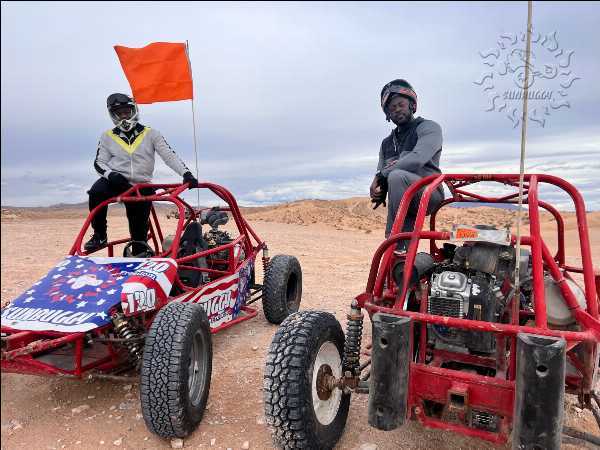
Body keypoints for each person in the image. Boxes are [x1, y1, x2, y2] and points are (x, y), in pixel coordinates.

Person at [85, 93, 199, 253]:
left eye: (127, 111)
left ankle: (140, 250)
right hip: (116, 181)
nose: (124, 116)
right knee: (96, 192)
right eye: (119, 113)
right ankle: (100, 235)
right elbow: (99, 162)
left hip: (142, 185)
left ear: (134, 110)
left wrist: (186, 174)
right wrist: (111, 175)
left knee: (138, 236)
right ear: (113, 115)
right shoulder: (107, 137)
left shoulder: (151, 133)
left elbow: (169, 155)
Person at [370, 79, 444, 250]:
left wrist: (382, 175)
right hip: (402, 194)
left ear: (412, 105)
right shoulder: (386, 143)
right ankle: (400, 254)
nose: (397, 109)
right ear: (388, 115)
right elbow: (381, 171)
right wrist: (378, 189)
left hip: (428, 193)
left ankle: (396, 242)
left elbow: (417, 158)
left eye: (400, 104)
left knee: (397, 176)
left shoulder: (428, 127)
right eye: (391, 108)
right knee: (396, 178)